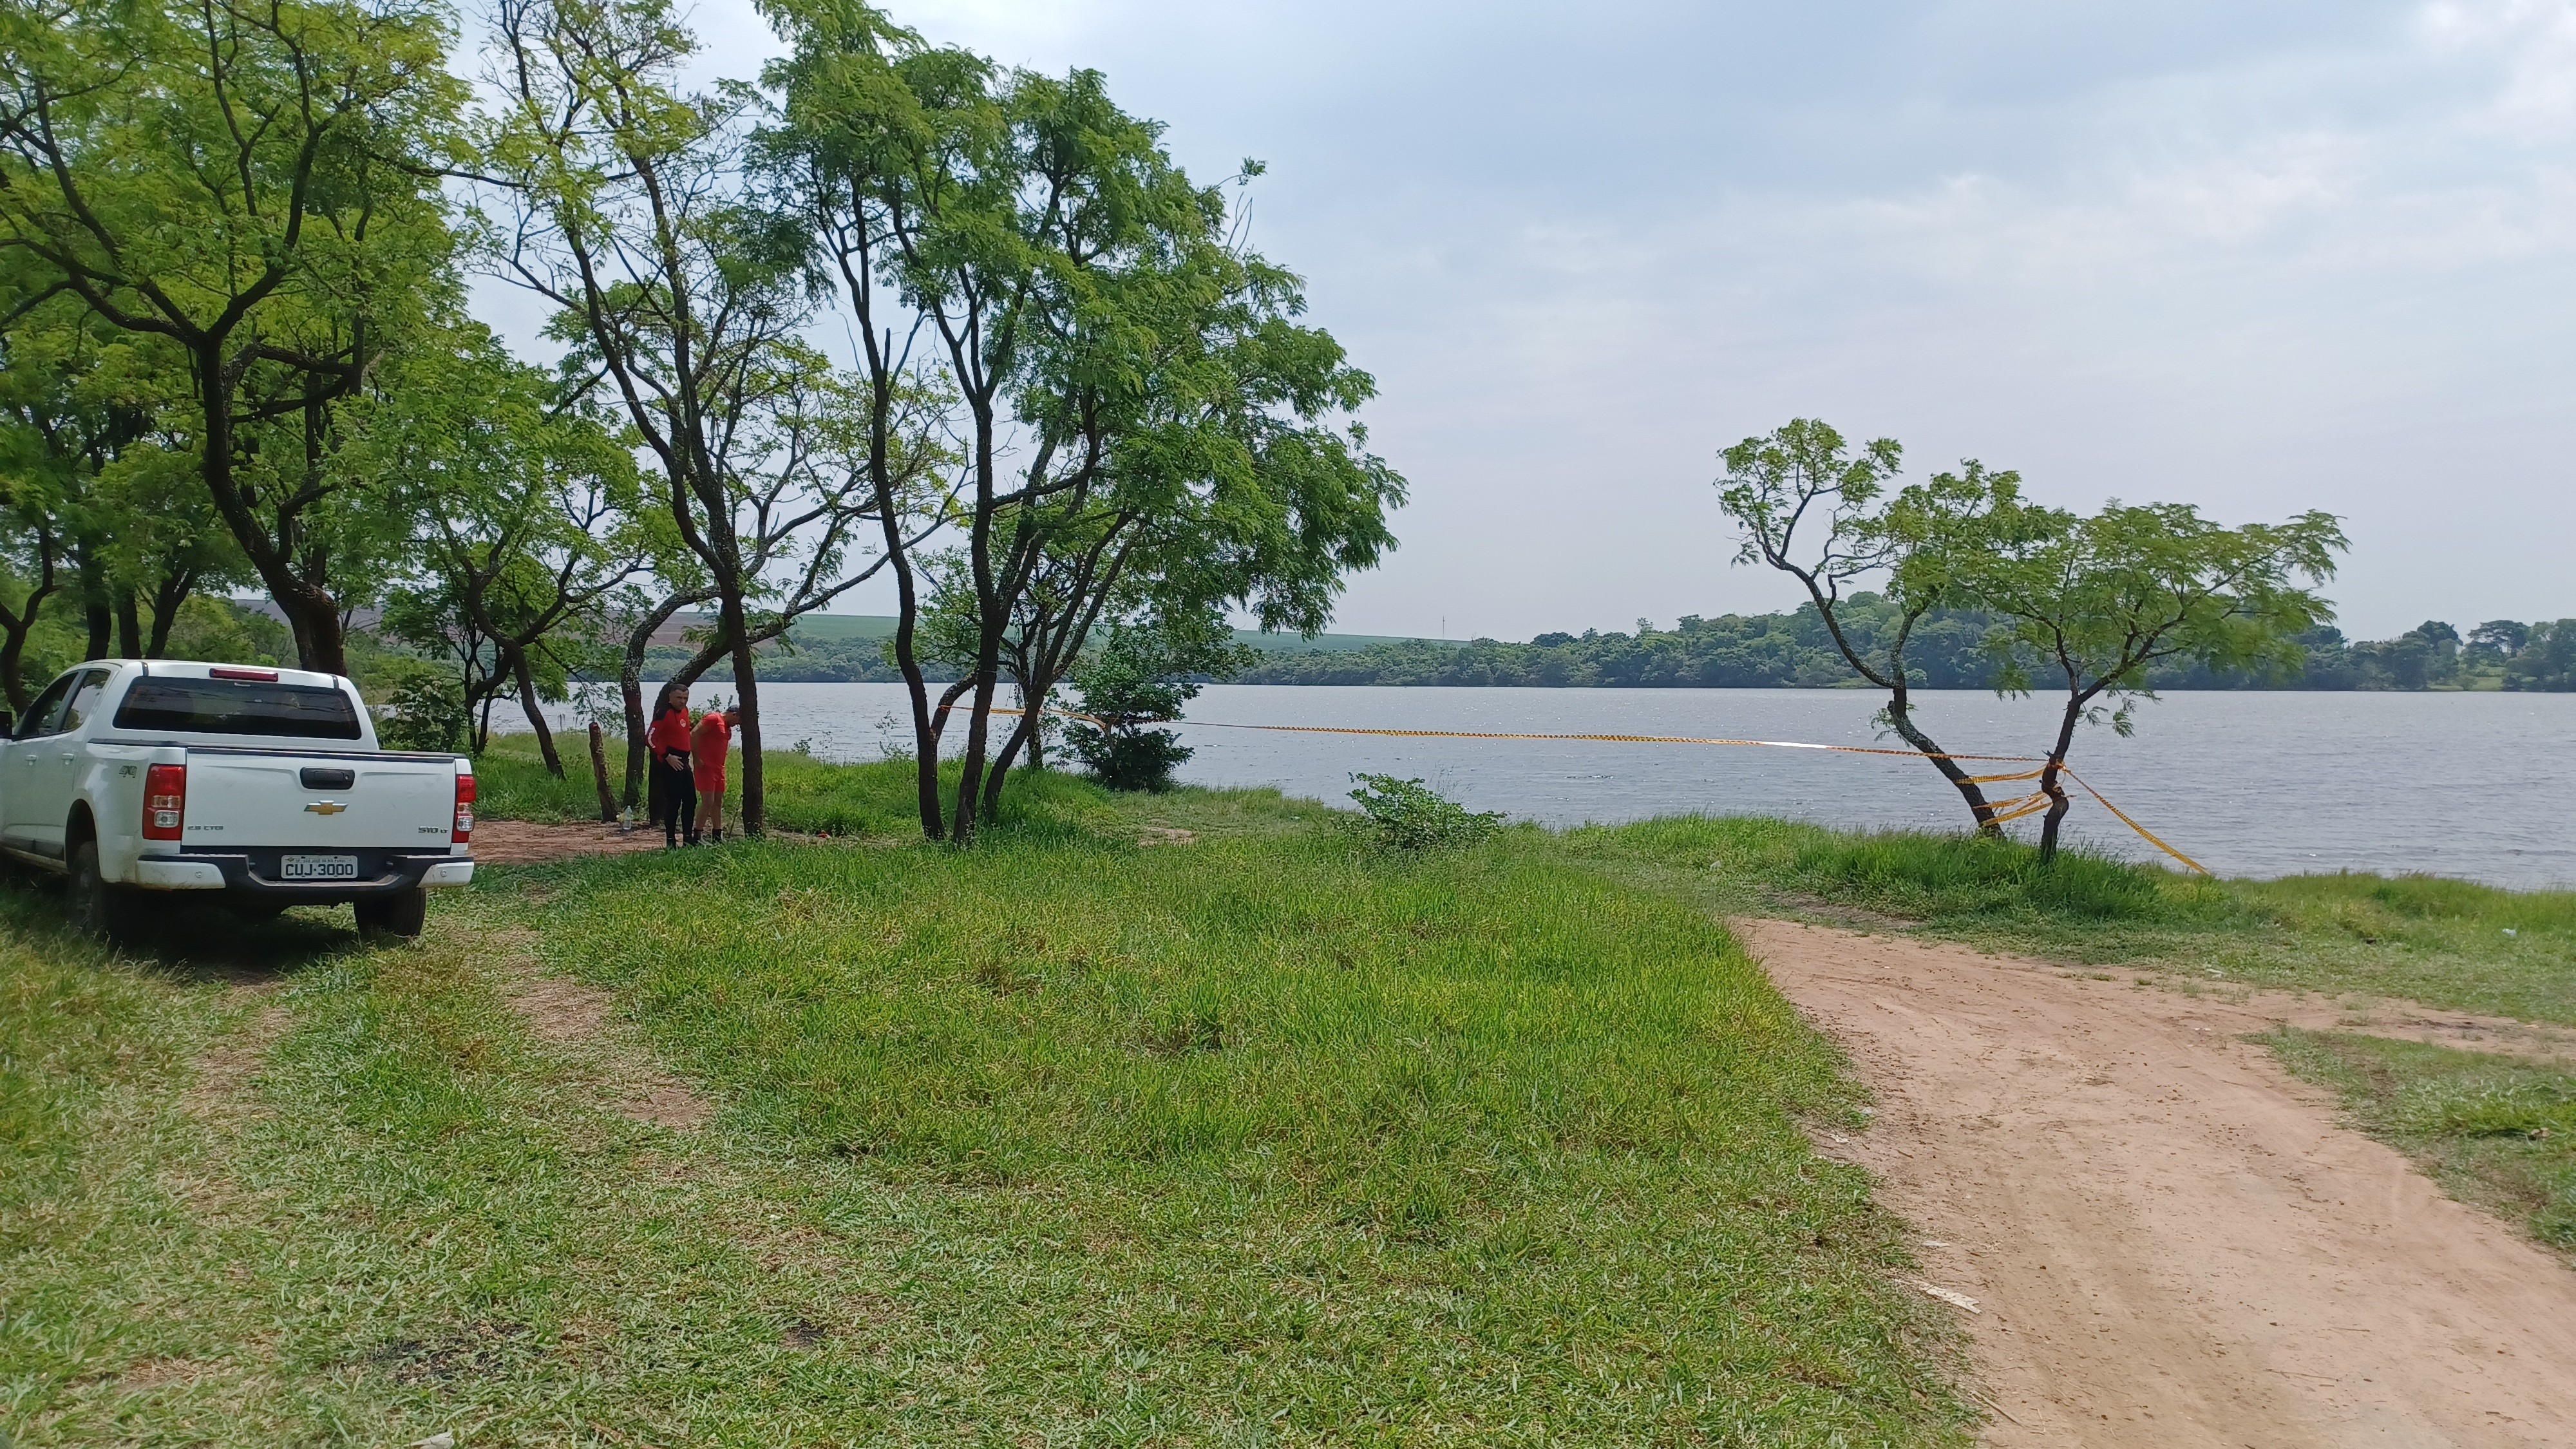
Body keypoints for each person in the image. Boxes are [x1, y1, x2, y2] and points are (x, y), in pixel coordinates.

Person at [646, 685, 697, 848]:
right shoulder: (664, 713)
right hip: (671, 762)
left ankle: (688, 838)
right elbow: (650, 739)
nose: (682, 701)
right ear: (670, 697)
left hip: (684, 761)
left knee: (691, 800)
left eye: (685, 698)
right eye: (679, 698)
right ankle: (670, 841)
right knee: (674, 802)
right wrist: (666, 756)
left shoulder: (685, 711)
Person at [691, 704, 738, 843]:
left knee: (718, 802)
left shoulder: (728, 727)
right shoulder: (713, 718)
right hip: (706, 767)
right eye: (738, 720)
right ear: (734, 714)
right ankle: (697, 835)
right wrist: (696, 758)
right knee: (708, 802)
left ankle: (717, 835)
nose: (738, 725)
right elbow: (694, 734)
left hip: (719, 769)